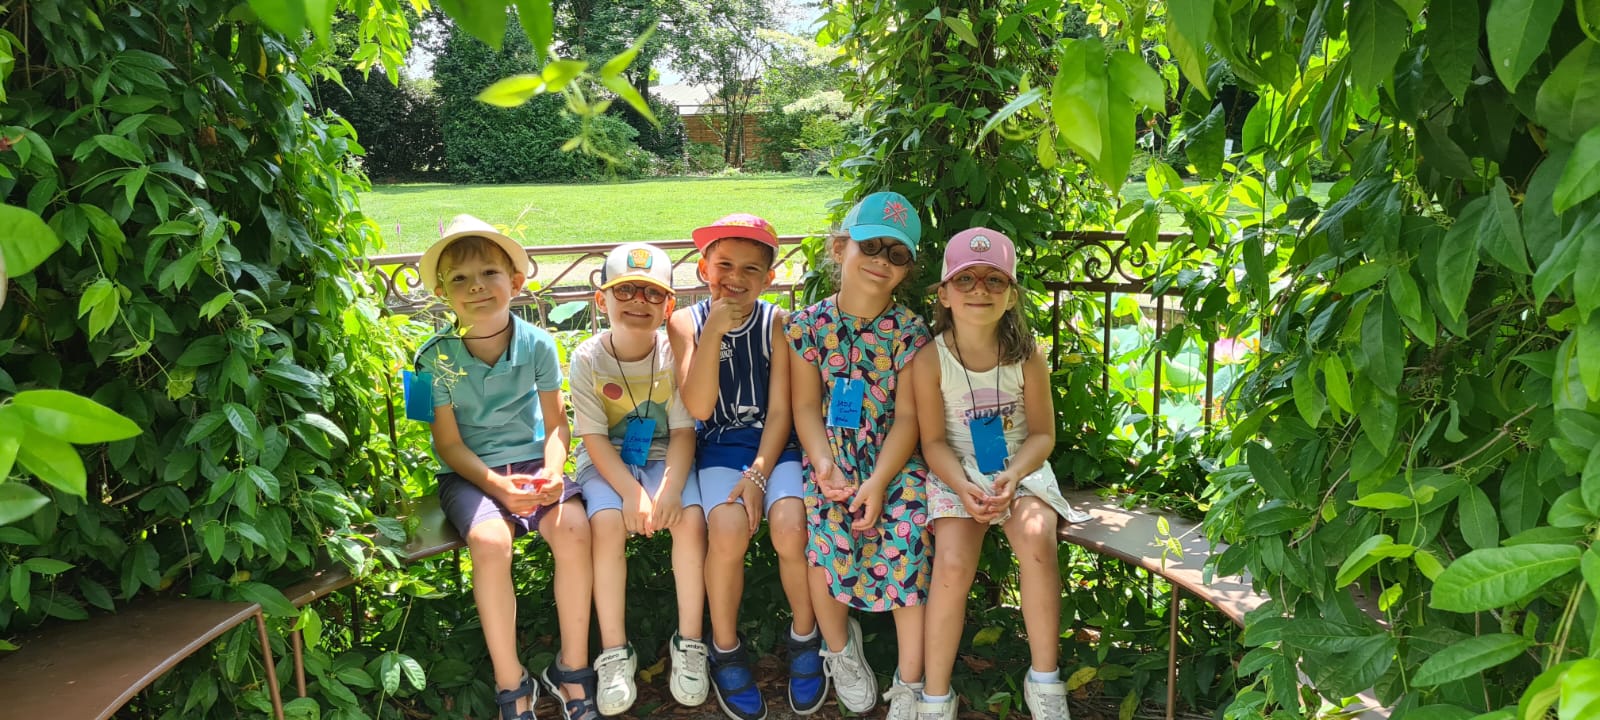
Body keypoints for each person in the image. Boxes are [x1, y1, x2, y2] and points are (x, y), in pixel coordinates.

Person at [412, 215, 595, 720]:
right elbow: (448, 444)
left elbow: (557, 426)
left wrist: (554, 472)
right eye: (460, 279)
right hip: (471, 474)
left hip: (535, 463)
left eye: (489, 273)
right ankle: (510, 682)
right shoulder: (431, 359)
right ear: (442, 293)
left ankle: (572, 668)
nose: (476, 287)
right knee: (490, 542)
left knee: (575, 529)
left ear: (515, 282)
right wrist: (498, 486)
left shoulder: (538, 343)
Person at [913, 228, 1079, 720]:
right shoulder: (930, 358)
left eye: (994, 280)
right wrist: (963, 486)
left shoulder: (1027, 355)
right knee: (952, 564)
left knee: (1037, 539)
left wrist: (1014, 475)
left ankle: (1045, 680)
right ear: (944, 294)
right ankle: (935, 694)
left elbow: (1043, 434)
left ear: (1011, 296)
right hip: (957, 472)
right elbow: (932, 443)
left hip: (1020, 469)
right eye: (965, 279)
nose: (979, 290)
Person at [667, 214, 824, 720]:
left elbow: (781, 412)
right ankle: (725, 646)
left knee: (791, 526)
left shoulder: (777, 323)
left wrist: (759, 474)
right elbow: (698, 406)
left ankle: (806, 636)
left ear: (769, 278)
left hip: (775, 446)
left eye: (751, 269)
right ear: (703, 269)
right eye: (724, 265)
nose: (735, 278)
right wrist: (714, 329)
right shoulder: (686, 324)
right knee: (728, 528)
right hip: (718, 447)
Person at [786, 191, 932, 720]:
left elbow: (909, 419)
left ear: (907, 269)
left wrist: (878, 481)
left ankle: (911, 680)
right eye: (870, 246)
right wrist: (825, 464)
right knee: (823, 534)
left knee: (909, 529)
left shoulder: (911, 332)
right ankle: (839, 649)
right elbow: (805, 406)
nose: (881, 261)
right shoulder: (806, 326)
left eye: (897, 254)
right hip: (831, 456)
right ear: (839, 247)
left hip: (893, 460)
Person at [570, 242, 709, 716]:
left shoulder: (674, 353)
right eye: (625, 290)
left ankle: (690, 642)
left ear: (669, 305)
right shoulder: (587, 358)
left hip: (666, 456)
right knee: (606, 524)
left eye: (653, 293)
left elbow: (684, 432)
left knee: (690, 520)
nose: (638, 302)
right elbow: (593, 439)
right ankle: (614, 651)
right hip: (606, 461)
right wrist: (631, 494)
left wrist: (668, 490)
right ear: (601, 300)